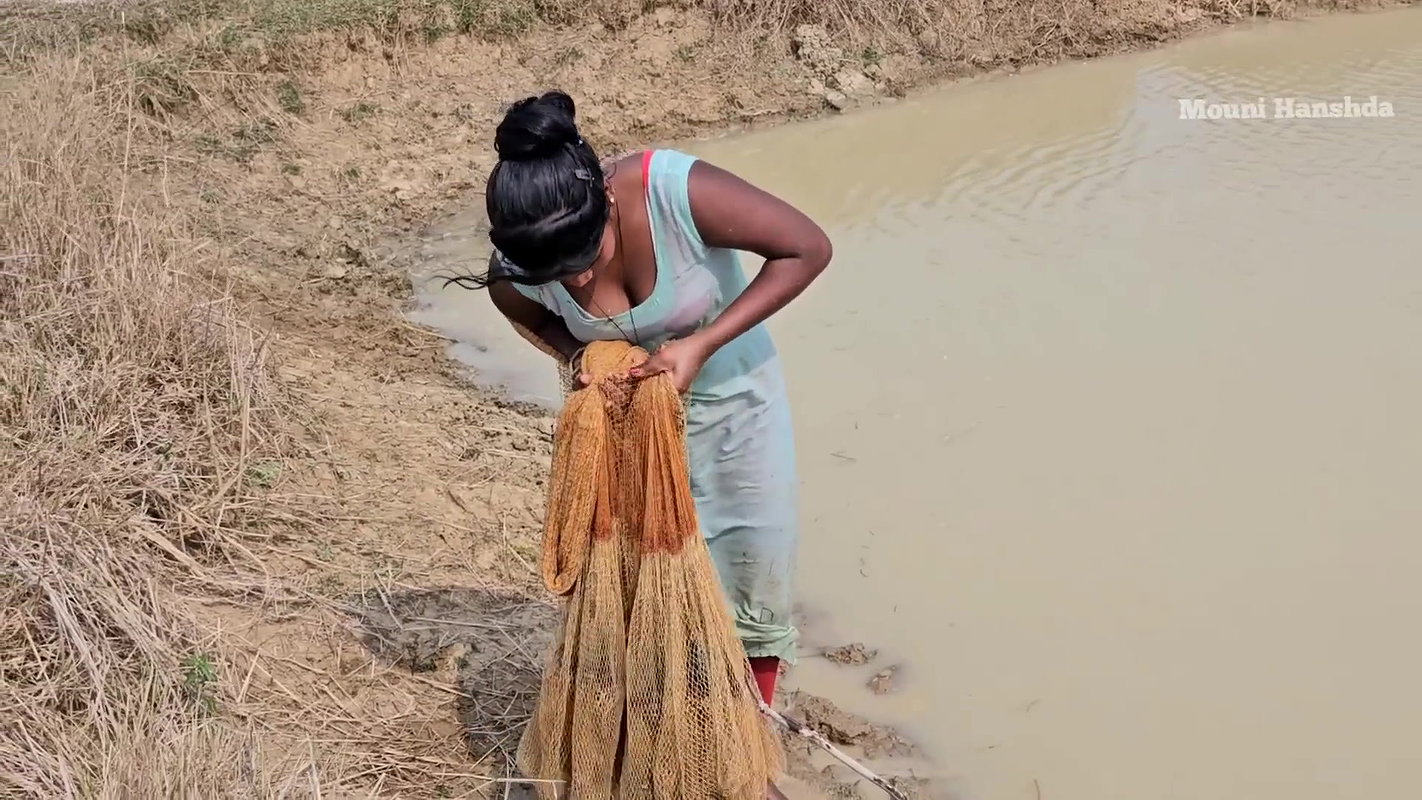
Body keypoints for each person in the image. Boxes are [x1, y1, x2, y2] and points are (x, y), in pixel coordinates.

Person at [453, 90, 832, 714]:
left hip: (732, 406)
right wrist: (581, 358)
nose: (574, 282)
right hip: (626, 428)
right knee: (644, 580)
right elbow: (515, 301)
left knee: (749, 566)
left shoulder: (671, 191)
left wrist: (702, 343)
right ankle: (670, 717)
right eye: (557, 275)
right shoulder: (522, 263)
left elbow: (806, 248)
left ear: (602, 199)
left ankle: (743, 727)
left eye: (585, 258)